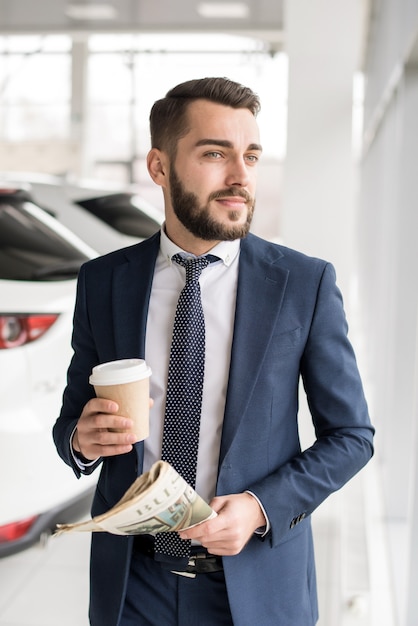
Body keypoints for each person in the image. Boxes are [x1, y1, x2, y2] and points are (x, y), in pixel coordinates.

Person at [53, 77, 374, 626]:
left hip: (254, 586)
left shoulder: (302, 283)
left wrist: (258, 508)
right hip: (133, 583)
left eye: (250, 155)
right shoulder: (103, 281)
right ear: (159, 168)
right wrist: (81, 440)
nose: (240, 176)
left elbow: (352, 437)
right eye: (214, 154)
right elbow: (72, 420)